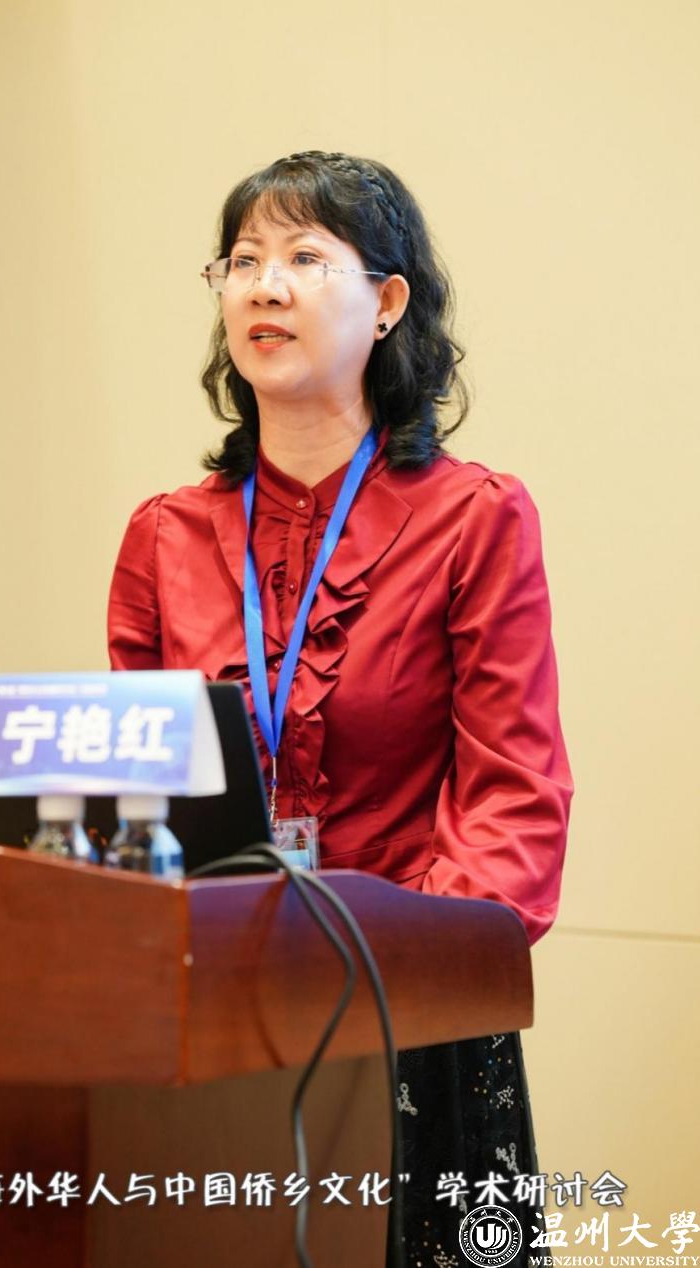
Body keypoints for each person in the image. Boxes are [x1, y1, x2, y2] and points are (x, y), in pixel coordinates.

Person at [107, 150, 573, 1265]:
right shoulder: (164, 535)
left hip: (411, 1014)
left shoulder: (476, 519)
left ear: (387, 302)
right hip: (219, 1019)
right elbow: (137, 800)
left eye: (305, 258)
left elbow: (515, 797)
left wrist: (392, 966)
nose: (263, 286)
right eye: (242, 261)